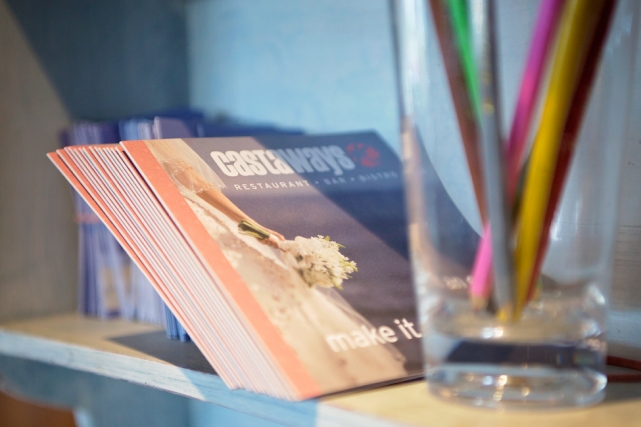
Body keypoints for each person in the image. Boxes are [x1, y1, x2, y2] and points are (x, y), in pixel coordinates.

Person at [146, 139, 407, 393]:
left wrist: (250, 225)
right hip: (180, 222)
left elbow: (189, 177)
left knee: (247, 284)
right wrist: (250, 225)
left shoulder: (150, 143)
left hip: (180, 222)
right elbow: (189, 177)